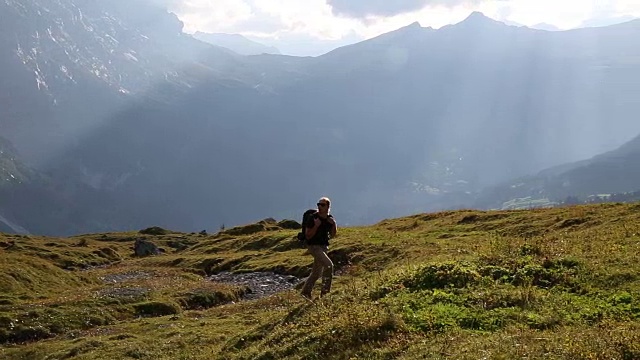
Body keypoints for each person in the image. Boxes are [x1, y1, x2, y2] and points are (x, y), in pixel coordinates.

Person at [300, 197, 337, 300]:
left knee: (316, 272)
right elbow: (308, 235)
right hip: (314, 247)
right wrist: (316, 226)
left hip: (323, 247)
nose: (320, 207)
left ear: (328, 207)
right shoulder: (313, 218)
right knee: (329, 266)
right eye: (318, 204)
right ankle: (325, 294)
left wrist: (333, 224)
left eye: (322, 205)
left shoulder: (329, 218)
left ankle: (305, 292)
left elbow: (333, 234)